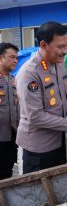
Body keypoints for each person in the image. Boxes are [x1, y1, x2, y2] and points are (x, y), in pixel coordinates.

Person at [15, 21, 67, 174]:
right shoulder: (30, 73)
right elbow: (35, 117)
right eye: (60, 47)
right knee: (38, 194)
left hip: (58, 142)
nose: (65, 51)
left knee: (59, 185)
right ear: (43, 45)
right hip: (38, 148)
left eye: (66, 46)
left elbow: (65, 99)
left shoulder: (59, 64)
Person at [0, 42, 19, 179]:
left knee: (7, 173)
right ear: (1, 58)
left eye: (16, 58)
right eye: (12, 57)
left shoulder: (13, 80)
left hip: (11, 137)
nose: (16, 60)